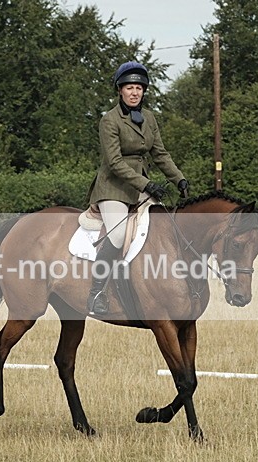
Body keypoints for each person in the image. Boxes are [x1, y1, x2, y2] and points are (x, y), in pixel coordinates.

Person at [86, 60, 189, 316]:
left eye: (139, 88)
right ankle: (97, 291)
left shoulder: (150, 118)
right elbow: (115, 162)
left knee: (165, 228)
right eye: (129, 87)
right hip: (114, 189)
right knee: (119, 236)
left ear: (144, 91)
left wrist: (179, 179)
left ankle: (155, 286)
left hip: (142, 188)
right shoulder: (109, 121)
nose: (134, 92)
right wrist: (147, 184)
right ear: (120, 90)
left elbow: (160, 153)